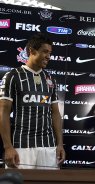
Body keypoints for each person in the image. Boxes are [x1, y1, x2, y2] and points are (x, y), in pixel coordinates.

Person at [0, 33, 65, 169]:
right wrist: (8, 147)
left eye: (50, 52)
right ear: (32, 51)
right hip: (21, 146)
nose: (48, 56)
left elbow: (55, 113)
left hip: (48, 146)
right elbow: (3, 112)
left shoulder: (50, 79)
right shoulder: (12, 76)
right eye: (45, 52)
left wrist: (59, 144)